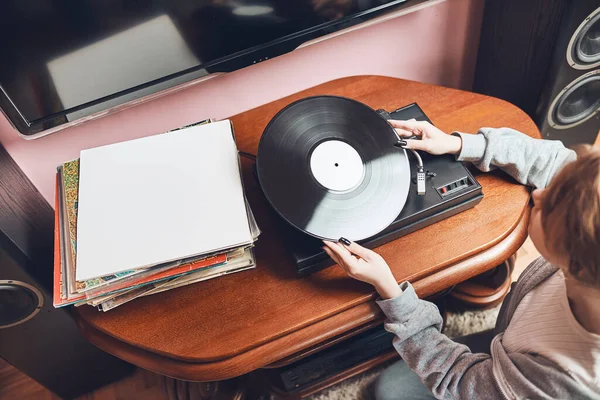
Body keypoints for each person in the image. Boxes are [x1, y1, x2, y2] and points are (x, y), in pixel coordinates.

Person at [323, 120, 600, 400]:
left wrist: (391, 290)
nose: (539, 192)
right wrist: (458, 144)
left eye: (548, 206)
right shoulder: (590, 254)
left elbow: (455, 377)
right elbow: (555, 162)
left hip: (512, 381)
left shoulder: (557, 381)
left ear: (570, 260)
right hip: (511, 343)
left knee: (388, 390)